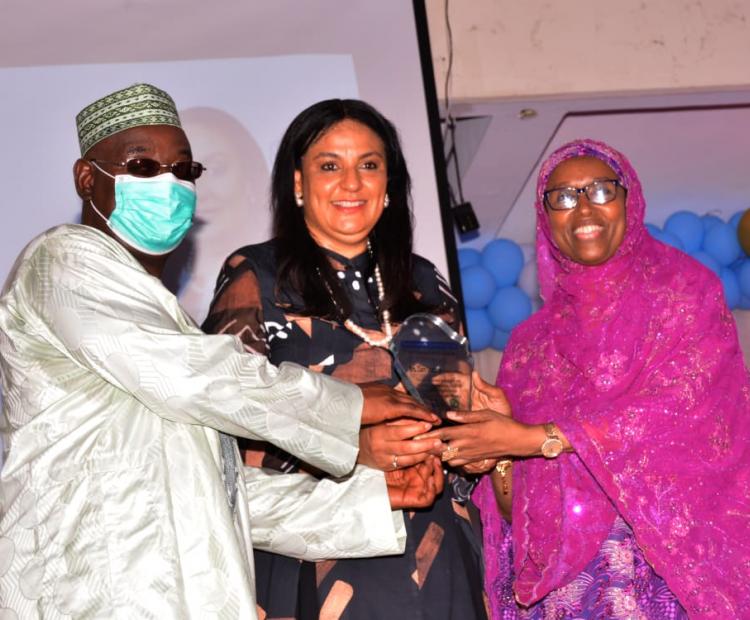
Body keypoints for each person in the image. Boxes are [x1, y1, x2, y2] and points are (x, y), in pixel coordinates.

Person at [0, 83, 445, 618]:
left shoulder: (171, 329)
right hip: (90, 594)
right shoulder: (60, 264)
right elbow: (191, 375)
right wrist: (347, 404)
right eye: (144, 167)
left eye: (184, 171)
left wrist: (375, 499)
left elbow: (226, 496)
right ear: (87, 178)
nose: (168, 184)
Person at [422, 139, 750, 618]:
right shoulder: (530, 347)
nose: (583, 208)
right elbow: (517, 515)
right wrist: (501, 454)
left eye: (600, 190)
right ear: (546, 218)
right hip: (571, 596)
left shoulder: (684, 293)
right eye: (564, 196)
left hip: (668, 581)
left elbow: (671, 411)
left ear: (628, 198)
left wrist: (537, 437)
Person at [202, 98, 487, 619]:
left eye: (369, 165)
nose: (351, 183)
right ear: (297, 183)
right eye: (329, 165)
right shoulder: (256, 275)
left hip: (437, 544)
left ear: (390, 187)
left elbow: (461, 421)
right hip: (317, 551)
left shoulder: (426, 284)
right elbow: (220, 436)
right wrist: (349, 447)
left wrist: (469, 448)